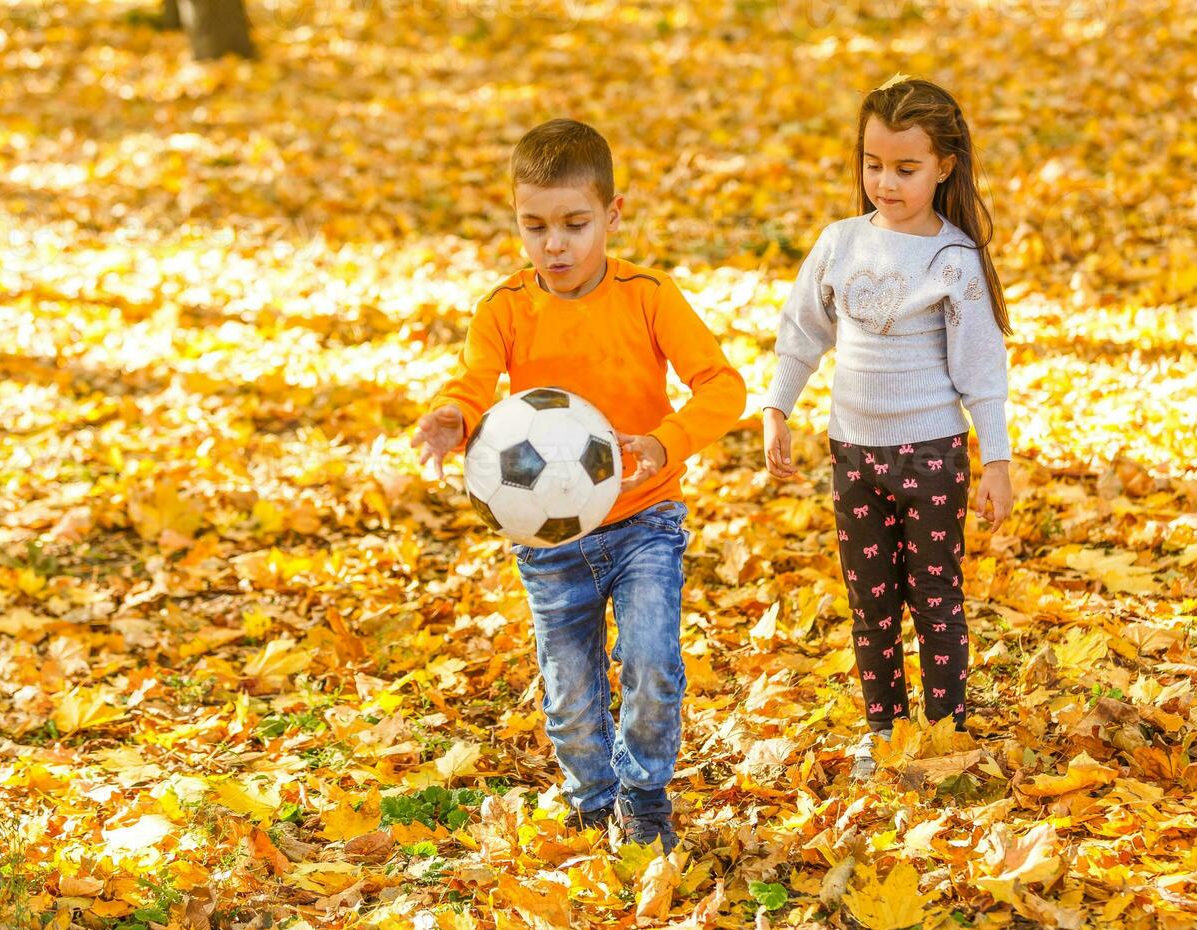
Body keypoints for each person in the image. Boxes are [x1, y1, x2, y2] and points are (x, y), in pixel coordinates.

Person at [412, 118, 746, 849]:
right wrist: (451, 416)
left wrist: (666, 442)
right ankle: (593, 800)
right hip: (550, 535)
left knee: (652, 660)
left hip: (643, 519)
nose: (553, 244)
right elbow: (471, 384)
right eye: (534, 226)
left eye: (574, 224)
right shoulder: (505, 307)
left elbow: (723, 387)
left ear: (612, 216)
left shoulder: (648, 296)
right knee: (568, 696)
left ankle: (645, 794)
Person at [761, 75, 1016, 778]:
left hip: (931, 455)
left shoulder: (952, 259)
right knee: (870, 605)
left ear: (944, 167)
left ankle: (945, 734)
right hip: (853, 457)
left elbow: (981, 371)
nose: (886, 182)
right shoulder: (840, 243)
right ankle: (885, 731)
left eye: (905, 168)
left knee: (934, 598)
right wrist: (777, 408)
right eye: (873, 164)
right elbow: (802, 333)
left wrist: (995, 460)